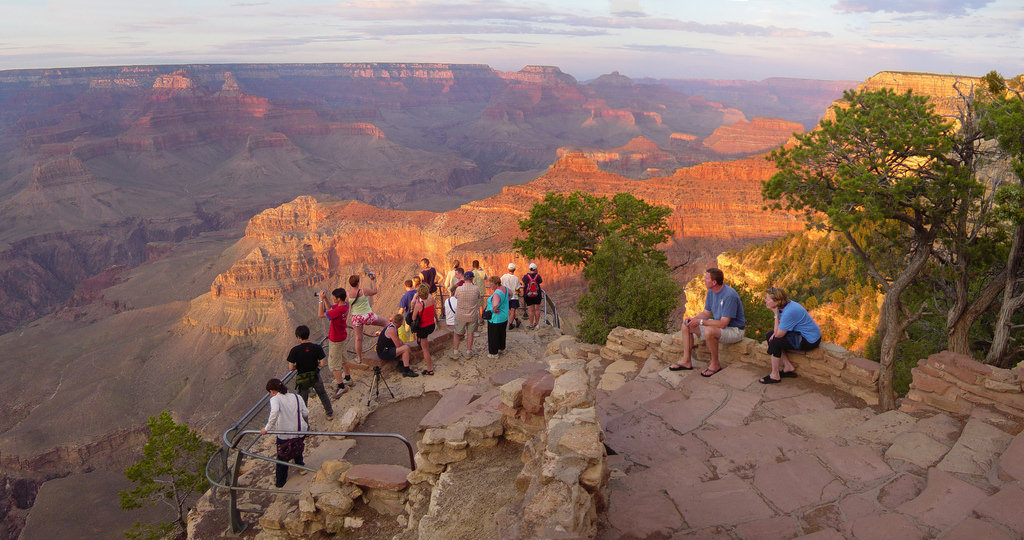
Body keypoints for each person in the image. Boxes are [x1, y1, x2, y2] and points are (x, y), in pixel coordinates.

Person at [670, 267, 746, 377]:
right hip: (719, 325)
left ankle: (715, 364)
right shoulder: (711, 291)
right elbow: (706, 313)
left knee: (709, 331)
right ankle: (686, 361)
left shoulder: (729, 295)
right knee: (686, 324)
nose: (704, 280)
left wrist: (701, 322)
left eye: (706, 278)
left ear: (714, 282)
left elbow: (723, 323)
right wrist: (694, 320)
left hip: (734, 330)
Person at [759, 287, 822, 384]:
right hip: (802, 334)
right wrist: (775, 334)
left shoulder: (789, 311)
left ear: (776, 302)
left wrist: (775, 315)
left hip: (810, 340)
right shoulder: (784, 306)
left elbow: (779, 334)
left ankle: (775, 375)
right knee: (770, 335)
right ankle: (788, 366)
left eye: (768, 298)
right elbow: (781, 326)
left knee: (775, 341)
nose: (765, 300)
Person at [260, 378, 309, 488]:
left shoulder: (275, 399)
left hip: (285, 433)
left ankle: (280, 482)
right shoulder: (297, 396)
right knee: (297, 447)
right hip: (300, 430)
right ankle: (301, 467)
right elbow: (305, 413)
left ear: (272, 391)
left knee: (282, 457)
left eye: (270, 393)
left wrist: (267, 428)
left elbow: (275, 412)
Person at [286, 325, 334, 421]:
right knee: (322, 394)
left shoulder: (294, 350)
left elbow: (291, 368)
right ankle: (329, 414)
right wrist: (314, 363)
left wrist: (299, 366)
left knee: (303, 402)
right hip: (315, 375)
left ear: (298, 337)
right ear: (308, 335)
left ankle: (305, 424)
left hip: (302, 379)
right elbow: (322, 364)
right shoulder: (316, 347)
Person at [347, 273, 387, 364]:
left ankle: (359, 358)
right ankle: (386, 344)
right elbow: (375, 291)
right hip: (367, 316)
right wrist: (373, 280)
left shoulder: (347, 294)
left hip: (356, 318)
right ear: (358, 283)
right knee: (386, 323)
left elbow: (343, 304)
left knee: (358, 338)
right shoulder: (364, 291)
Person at [318, 287, 350, 398]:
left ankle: (342, 387)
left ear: (339, 298)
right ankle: (348, 379)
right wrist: (326, 299)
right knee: (344, 359)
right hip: (342, 336)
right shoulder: (345, 305)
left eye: (334, 298)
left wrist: (320, 300)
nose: (333, 299)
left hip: (336, 339)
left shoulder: (339, 310)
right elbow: (331, 308)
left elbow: (321, 314)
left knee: (333, 365)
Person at [410, 283, 436, 375]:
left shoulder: (419, 305)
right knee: (424, 343)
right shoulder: (431, 299)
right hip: (432, 325)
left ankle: (430, 369)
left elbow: (413, 318)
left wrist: (414, 300)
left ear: (420, 294)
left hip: (423, 328)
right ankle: (420, 340)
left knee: (425, 349)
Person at [452, 271, 479, 357]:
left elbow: (455, 296)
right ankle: (468, 352)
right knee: (470, 334)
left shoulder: (459, 289)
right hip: (472, 315)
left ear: (464, 278)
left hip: (461, 315)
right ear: (472, 279)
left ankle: (455, 353)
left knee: (457, 333)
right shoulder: (476, 288)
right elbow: (478, 297)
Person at [485, 275, 510, 358]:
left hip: (495, 318)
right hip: (504, 316)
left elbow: (495, 305)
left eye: (491, 284)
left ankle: (494, 353)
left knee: (493, 335)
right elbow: (511, 293)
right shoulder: (505, 289)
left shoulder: (496, 293)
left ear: (496, 283)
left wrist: (494, 310)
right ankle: (501, 348)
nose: (490, 285)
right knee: (502, 333)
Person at [501, 263, 523, 330]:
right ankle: (510, 324)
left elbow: (500, 284)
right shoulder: (516, 279)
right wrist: (519, 292)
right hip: (514, 297)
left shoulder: (503, 277)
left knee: (510, 310)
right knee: (513, 310)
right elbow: (517, 289)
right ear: (514, 269)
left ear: (508, 269)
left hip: (506, 297)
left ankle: (516, 320)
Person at [521, 262, 544, 329]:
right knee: (537, 309)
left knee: (531, 310)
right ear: (535, 269)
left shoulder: (526, 277)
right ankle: (536, 324)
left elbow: (524, 281)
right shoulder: (538, 276)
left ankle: (531, 324)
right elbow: (540, 281)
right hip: (537, 295)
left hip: (528, 295)